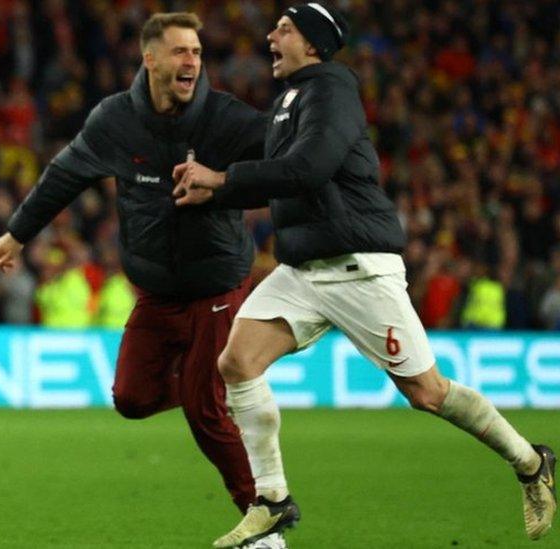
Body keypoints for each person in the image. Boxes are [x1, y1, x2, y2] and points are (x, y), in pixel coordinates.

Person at [172, 4, 556, 547]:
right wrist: (212, 191)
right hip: (304, 269)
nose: (270, 36)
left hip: (358, 266)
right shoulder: (288, 99)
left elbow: (309, 168)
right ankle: (272, 501)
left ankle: (529, 461)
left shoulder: (332, 89)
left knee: (426, 392)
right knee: (236, 361)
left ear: (312, 43)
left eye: (283, 29)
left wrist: (221, 177)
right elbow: (280, 182)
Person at [0, 12, 286, 548]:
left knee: (204, 411)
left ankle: (263, 525)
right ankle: (215, 383)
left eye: (196, 52)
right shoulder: (115, 121)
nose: (192, 61)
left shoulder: (226, 119)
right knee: (130, 398)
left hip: (217, 285)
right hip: (156, 291)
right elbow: (66, 173)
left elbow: (289, 171)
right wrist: (18, 232)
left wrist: (222, 185)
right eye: (180, 51)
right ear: (149, 59)